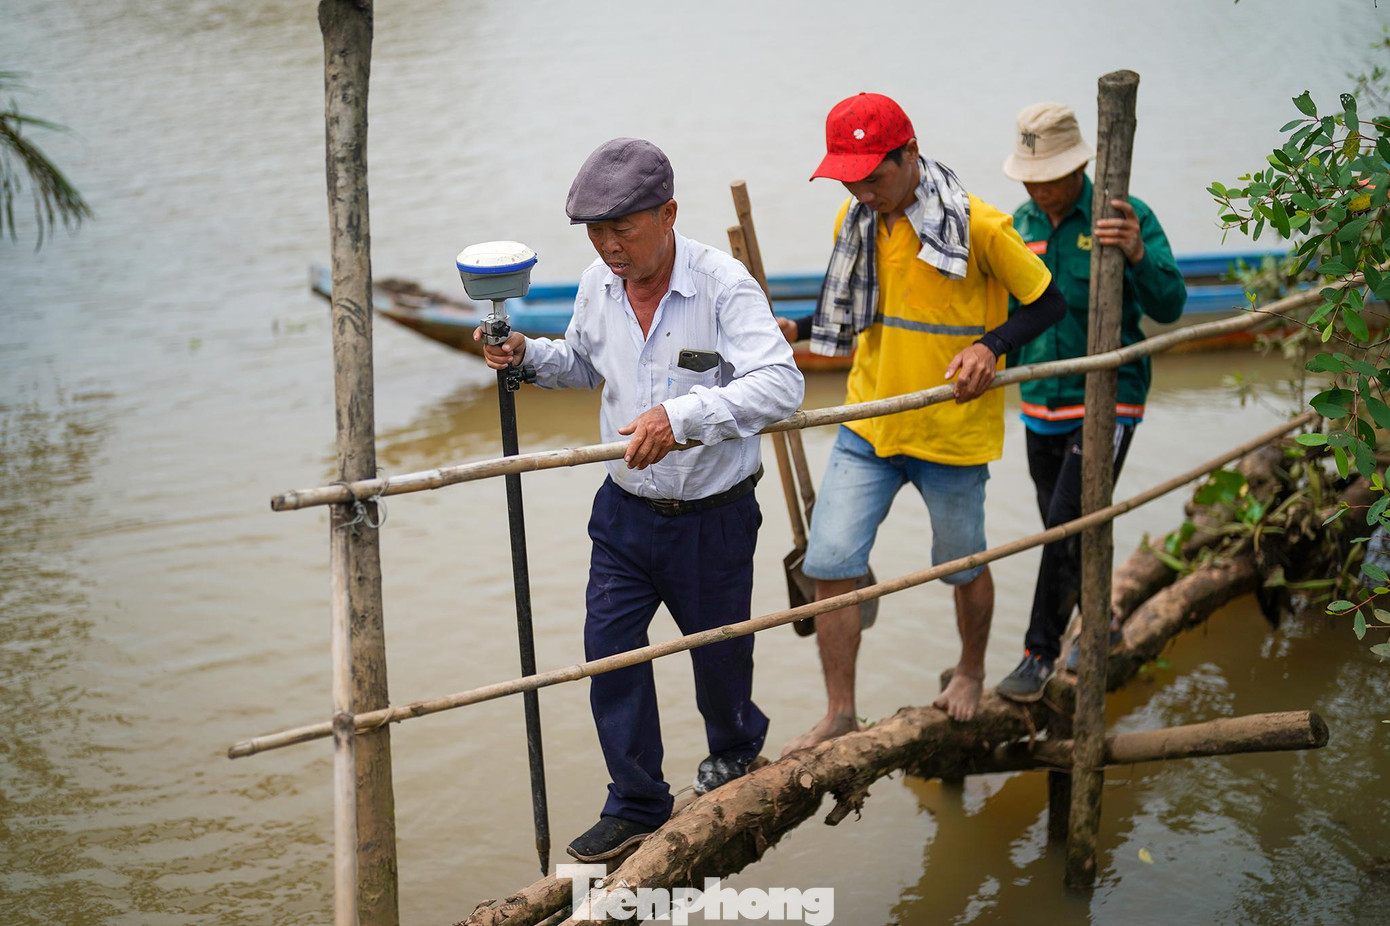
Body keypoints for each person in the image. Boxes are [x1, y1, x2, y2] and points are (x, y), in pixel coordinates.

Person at [476, 138, 804, 863]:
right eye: (596, 231)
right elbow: (585, 364)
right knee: (608, 652)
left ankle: (734, 752)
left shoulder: (724, 286)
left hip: (712, 513)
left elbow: (782, 384)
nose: (609, 245)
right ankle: (636, 802)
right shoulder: (598, 281)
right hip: (625, 511)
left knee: (718, 655)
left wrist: (681, 420)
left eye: (623, 227)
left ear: (670, 213)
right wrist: (528, 357)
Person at [780, 92, 1067, 755]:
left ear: (909, 155)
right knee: (829, 561)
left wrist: (990, 345)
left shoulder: (980, 227)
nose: (862, 190)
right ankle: (840, 713)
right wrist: (796, 324)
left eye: (873, 176)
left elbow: (1046, 301)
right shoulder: (856, 222)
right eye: (849, 178)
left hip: (950, 434)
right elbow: (846, 305)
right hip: (870, 424)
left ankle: (969, 672)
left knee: (960, 564)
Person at [994, 102, 1186, 702]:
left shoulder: (1123, 214)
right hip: (1040, 401)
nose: (1039, 187)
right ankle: (1101, 622)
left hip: (1110, 395)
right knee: (1069, 527)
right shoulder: (1016, 225)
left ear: (1078, 167)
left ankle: (1037, 652)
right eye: (1031, 176)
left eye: (1049, 175)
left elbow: (1170, 304)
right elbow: (1000, 314)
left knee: (1064, 525)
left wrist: (1135, 252)